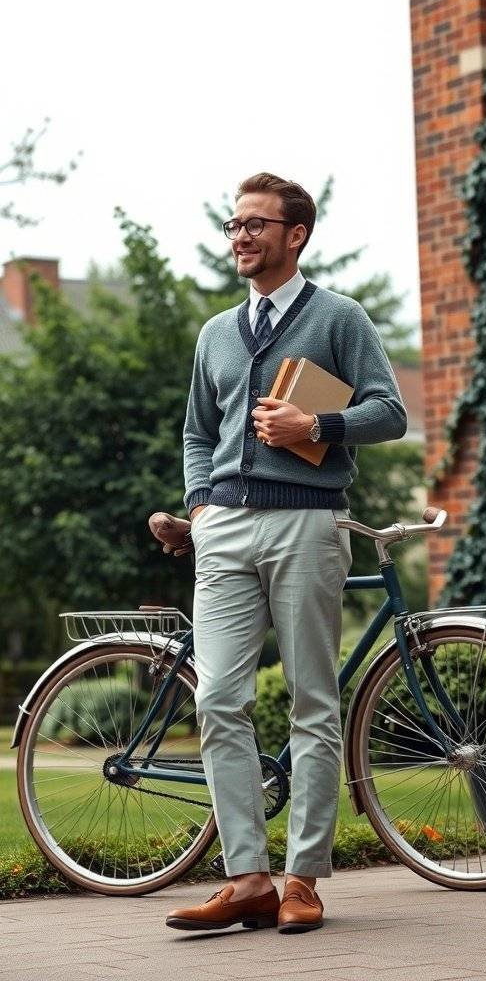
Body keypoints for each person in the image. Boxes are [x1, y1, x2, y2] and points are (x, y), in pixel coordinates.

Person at [165, 172, 407, 935]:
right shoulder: (215, 334)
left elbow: (389, 412)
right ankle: (247, 879)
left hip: (308, 522)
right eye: (234, 224)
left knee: (312, 700)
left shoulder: (339, 317)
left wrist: (317, 427)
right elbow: (199, 431)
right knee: (218, 700)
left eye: (256, 225)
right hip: (226, 530)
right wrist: (200, 507)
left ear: (294, 235)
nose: (240, 236)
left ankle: (303, 879)